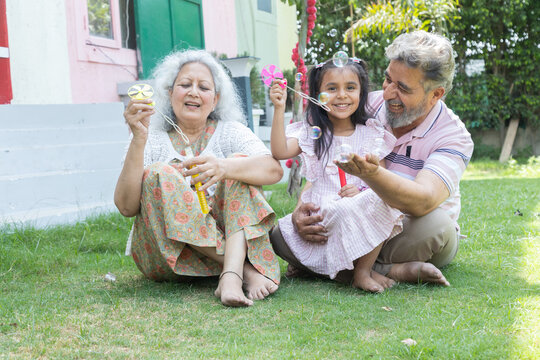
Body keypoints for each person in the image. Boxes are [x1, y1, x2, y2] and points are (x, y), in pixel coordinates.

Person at [271, 30, 474, 287]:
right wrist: (304, 207)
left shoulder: (454, 136)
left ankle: (338, 266)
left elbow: (424, 201)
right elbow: (326, 156)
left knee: (437, 226)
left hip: (409, 228)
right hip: (352, 215)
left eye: (402, 88)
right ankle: (388, 270)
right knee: (281, 235)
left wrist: (371, 175)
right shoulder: (365, 104)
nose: (388, 93)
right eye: (388, 80)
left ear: (435, 94)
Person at [115, 49, 283, 307]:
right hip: (167, 256)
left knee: (237, 164)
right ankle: (241, 272)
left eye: (203, 87)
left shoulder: (229, 132)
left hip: (223, 248)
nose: (193, 91)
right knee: (159, 173)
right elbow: (126, 207)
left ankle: (229, 276)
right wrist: (138, 138)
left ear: (215, 100)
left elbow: (273, 170)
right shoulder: (150, 137)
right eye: (184, 84)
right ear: (170, 94)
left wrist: (223, 167)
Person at [268, 58, 403, 293]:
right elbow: (280, 151)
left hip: (358, 209)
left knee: (381, 200)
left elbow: (380, 179)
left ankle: (361, 273)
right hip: (323, 215)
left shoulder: (371, 133)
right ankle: (362, 271)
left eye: (350, 88)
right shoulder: (311, 133)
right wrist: (279, 109)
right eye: (332, 88)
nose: (342, 95)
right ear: (317, 95)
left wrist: (362, 190)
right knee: (280, 234)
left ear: (361, 93)